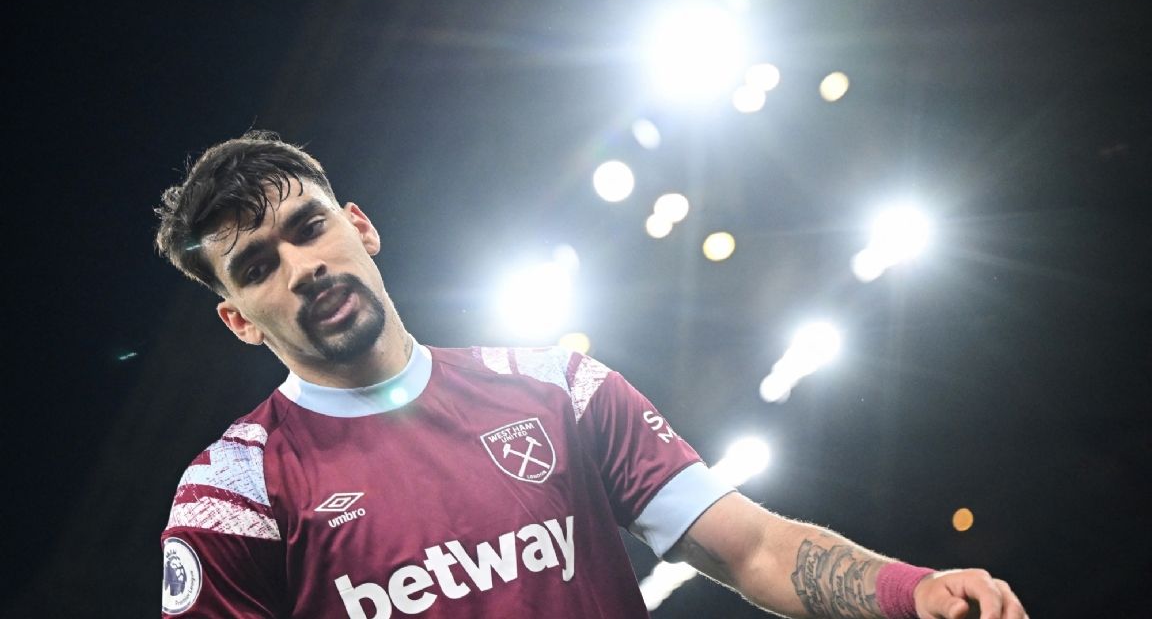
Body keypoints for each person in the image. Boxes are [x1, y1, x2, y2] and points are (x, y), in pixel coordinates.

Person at [155, 130, 1027, 618]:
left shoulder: (556, 389)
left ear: (360, 226)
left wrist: (913, 593)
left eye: (309, 228)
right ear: (239, 319)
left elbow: (754, 548)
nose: (303, 267)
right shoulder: (231, 495)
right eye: (258, 266)